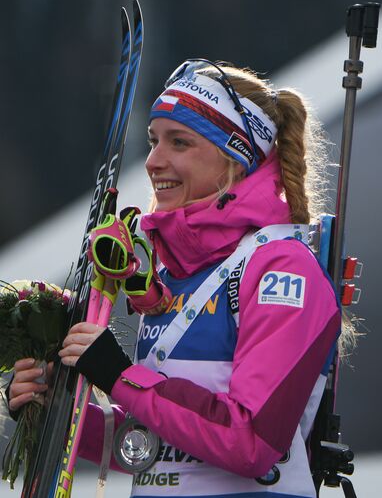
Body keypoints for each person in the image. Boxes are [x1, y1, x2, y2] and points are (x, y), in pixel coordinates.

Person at [9, 60, 341, 498]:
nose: (153, 161)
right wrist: (58, 408)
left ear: (236, 158)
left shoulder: (280, 268)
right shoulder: (169, 271)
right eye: (153, 141)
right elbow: (157, 450)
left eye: (179, 142)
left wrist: (120, 376)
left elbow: (250, 443)